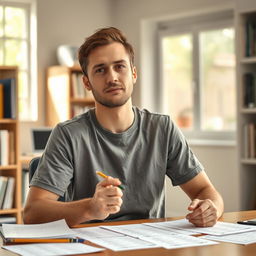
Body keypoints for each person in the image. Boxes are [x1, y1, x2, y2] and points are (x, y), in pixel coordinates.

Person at [23, 27, 224, 227]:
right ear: (87, 83)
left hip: (151, 244)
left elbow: (206, 191)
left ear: (134, 74)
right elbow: (33, 212)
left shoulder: (162, 128)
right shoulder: (69, 134)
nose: (112, 78)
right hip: (91, 246)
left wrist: (211, 208)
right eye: (100, 70)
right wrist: (90, 208)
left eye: (120, 66)